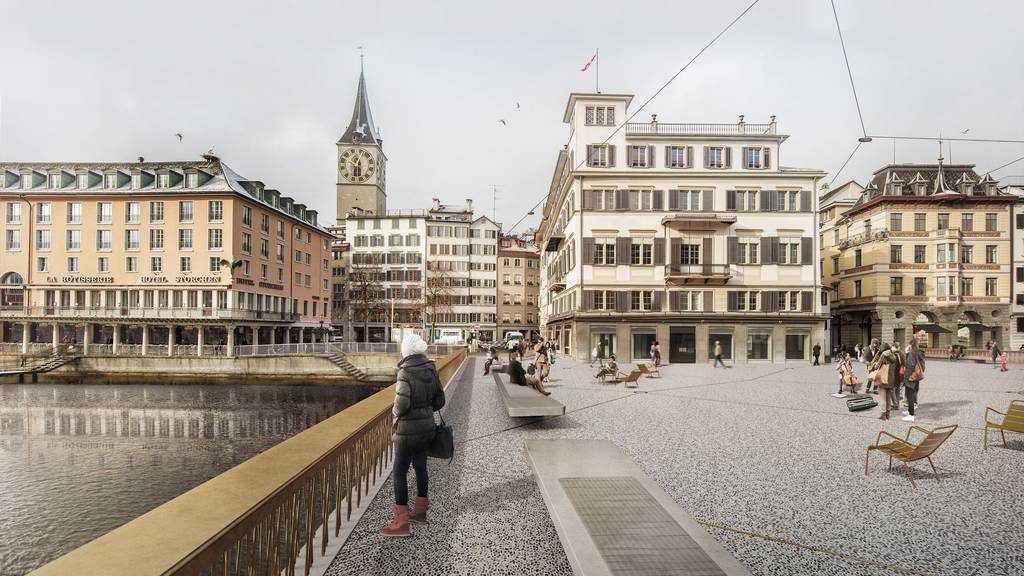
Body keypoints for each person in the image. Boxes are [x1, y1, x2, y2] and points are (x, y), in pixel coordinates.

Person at [380, 334, 446, 537]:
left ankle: (401, 522)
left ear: (406, 351)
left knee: (399, 471)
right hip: (427, 427)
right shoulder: (431, 369)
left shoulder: (405, 372)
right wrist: (425, 407)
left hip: (407, 431)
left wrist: (394, 416)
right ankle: (420, 512)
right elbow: (439, 401)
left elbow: (401, 405)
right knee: (420, 467)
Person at [872, 343, 899, 420]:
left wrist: (875, 364)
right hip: (891, 379)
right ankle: (888, 414)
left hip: (883, 378)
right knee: (888, 397)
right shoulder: (894, 355)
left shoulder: (884, 354)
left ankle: (883, 415)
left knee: (882, 398)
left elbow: (877, 366)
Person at [902, 340, 925, 422]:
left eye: (908, 345)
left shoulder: (912, 353)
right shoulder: (919, 353)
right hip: (916, 377)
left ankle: (911, 415)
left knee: (909, 396)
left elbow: (910, 365)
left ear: (910, 345)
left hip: (910, 377)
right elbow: (922, 366)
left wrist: (906, 377)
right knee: (911, 394)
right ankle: (909, 411)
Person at [890, 341, 905, 413]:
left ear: (894, 347)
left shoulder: (894, 355)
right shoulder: (901, 353)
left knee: (892, 390)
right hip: (900, 374)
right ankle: (897, 405)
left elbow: (893, 366)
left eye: (892, 347)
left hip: (895, 374)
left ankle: (895, 405)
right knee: (897, 389)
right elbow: (904, 363)